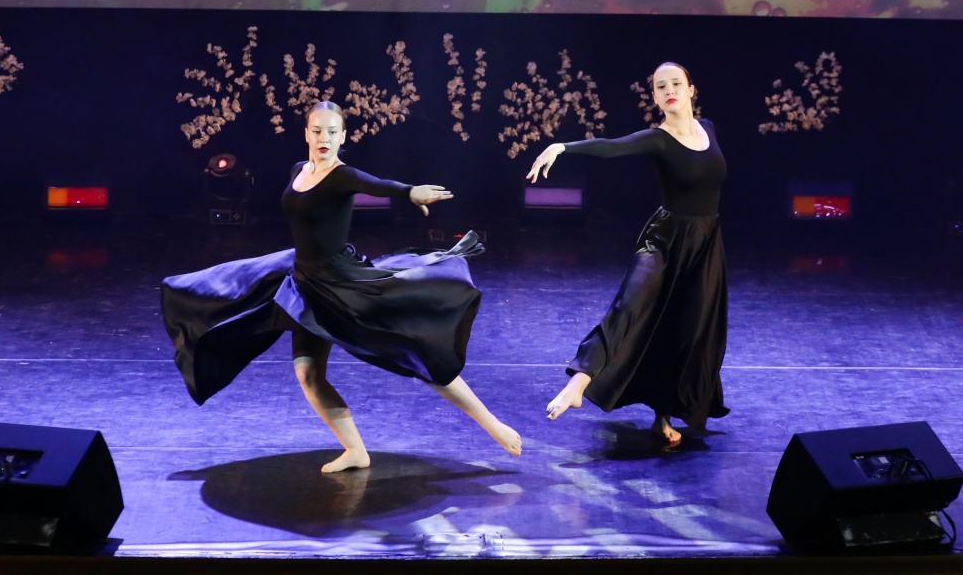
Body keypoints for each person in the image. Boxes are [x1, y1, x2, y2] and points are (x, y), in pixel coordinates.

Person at [162, 101, 521, 473]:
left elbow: (376, 185)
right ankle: (355, 451)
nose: (324, 138)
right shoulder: (299, 170)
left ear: (343, 136)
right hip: (305, 286)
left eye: (332, 132)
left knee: (415, 353)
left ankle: (492, 424)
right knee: (308, 374)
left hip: (342, 286)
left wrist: (411, 191)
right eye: (317, 131)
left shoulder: (341, 175)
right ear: (306, 134)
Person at [526, 62, 730, 444]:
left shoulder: (709, 128)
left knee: (685, 331)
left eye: (676, 83)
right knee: (629, 304)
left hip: (705, 245)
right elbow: (611, 147)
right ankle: (578, 384)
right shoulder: (658, 139)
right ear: (654, 97)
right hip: (665, 239)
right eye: (661, 86)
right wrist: (562, 147)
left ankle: (662, 417)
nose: (669, 90)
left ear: (691, 89)